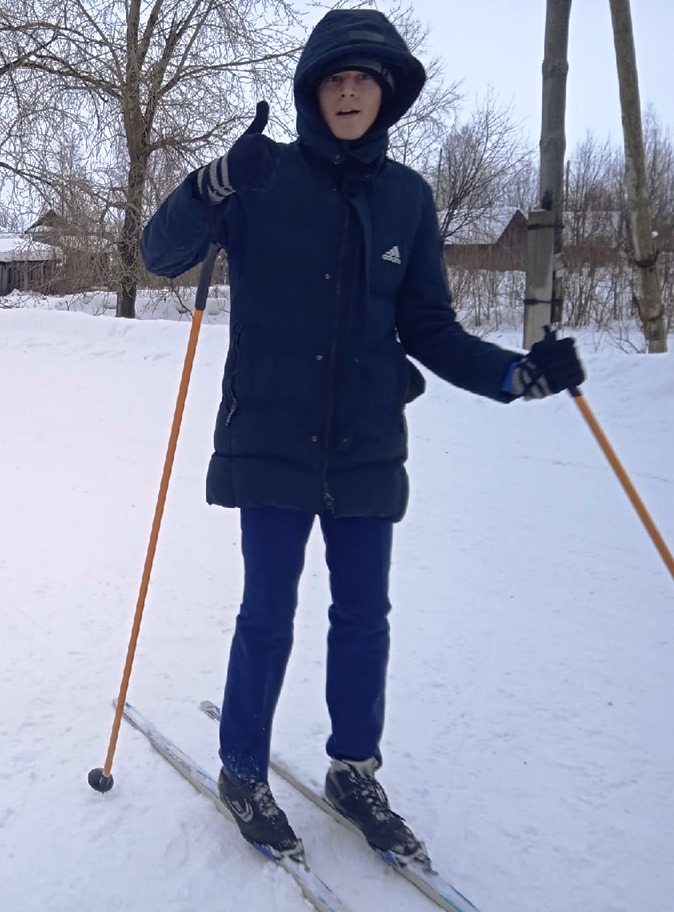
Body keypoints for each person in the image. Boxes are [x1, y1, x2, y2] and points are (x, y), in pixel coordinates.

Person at [140, 8, 584, 864]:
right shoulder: (261, 176)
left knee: (363, 615)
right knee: (268, 612)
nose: (349, 92)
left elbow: (432, 328)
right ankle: (242, 768)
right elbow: (160, 255)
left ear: (388, 94)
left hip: (367, 444)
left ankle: (354, 769)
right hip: (270, 434)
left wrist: (515, 375)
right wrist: (209, 184)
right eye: (335, 78)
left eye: (364, 80)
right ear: (313, 91)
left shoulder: (408, 198)